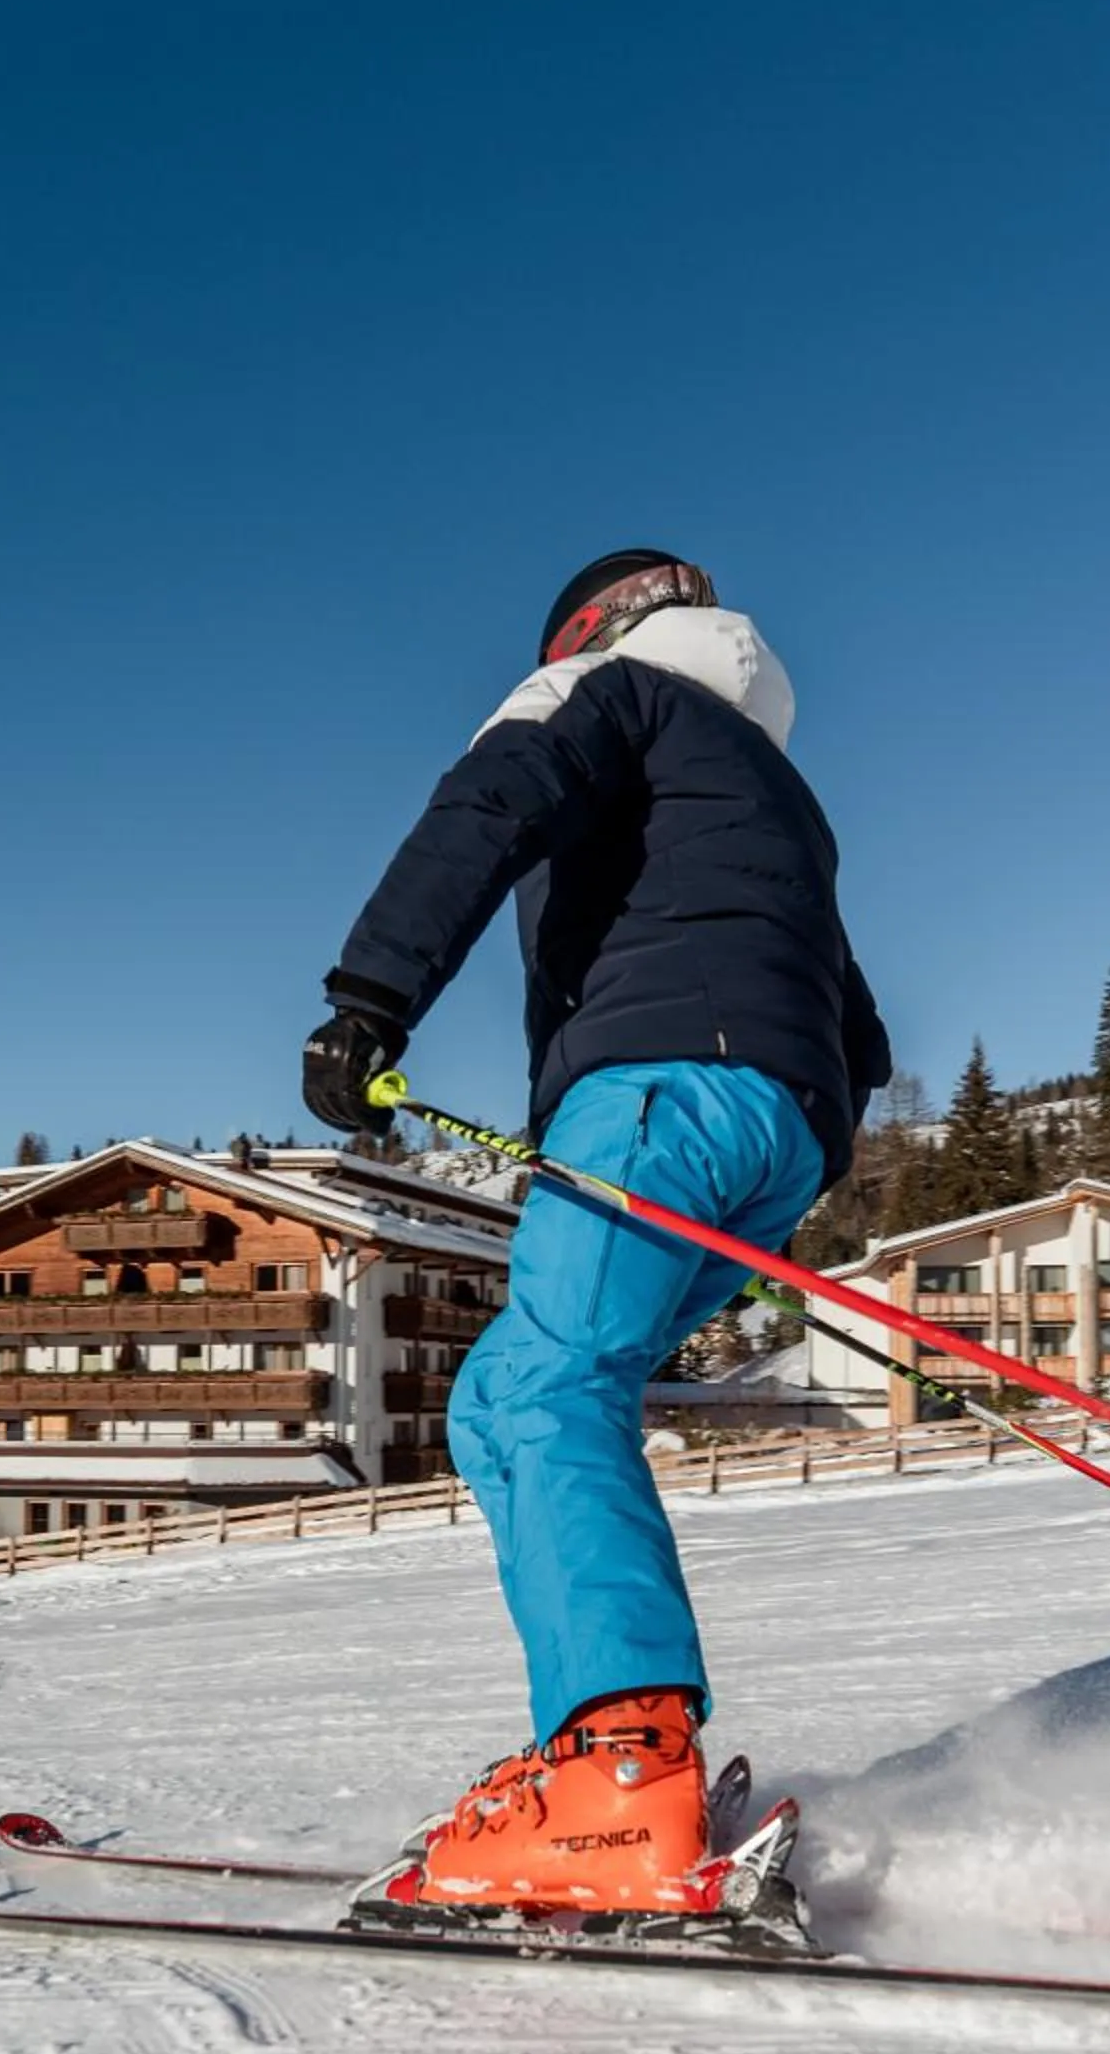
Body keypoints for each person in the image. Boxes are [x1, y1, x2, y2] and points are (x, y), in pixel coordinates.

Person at [303, 548, 890, 1918]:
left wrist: (369, 997)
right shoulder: (770, 787)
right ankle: (595, 1738)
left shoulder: (609, 694)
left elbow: (487, 806)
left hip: (653, 1101)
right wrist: (800, 1143)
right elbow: (852, 1020)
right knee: (508, 1394)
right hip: (770, 1137)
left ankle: (624, 1766)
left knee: (552, 1386)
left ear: (589, 628)